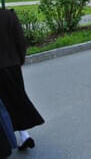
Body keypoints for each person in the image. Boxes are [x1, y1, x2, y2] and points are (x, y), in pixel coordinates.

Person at [0, 9, 44, 151]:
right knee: (17, 98)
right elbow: (20, 40)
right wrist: (20, 59)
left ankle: (9, 140)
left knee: (4, 106)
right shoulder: (9, 15)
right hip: (12, 65)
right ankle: (24, 135)